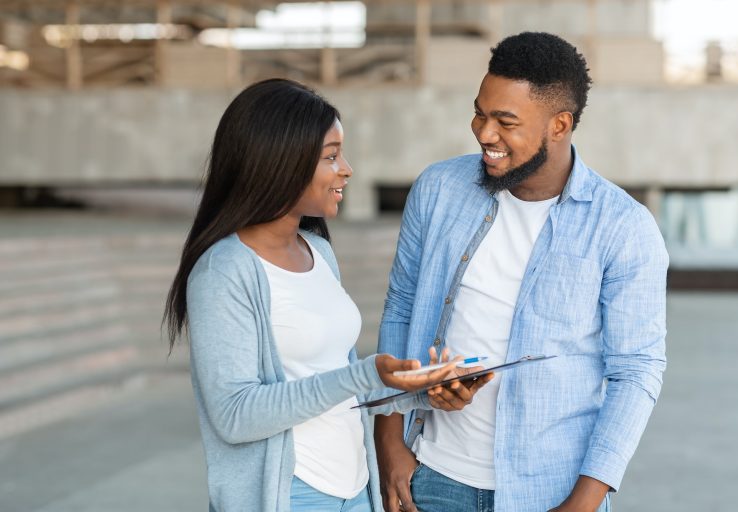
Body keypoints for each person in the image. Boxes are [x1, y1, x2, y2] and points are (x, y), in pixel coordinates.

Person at [374, 32, 668, 512]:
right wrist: (388, 441)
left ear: (559, 124)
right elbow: (402, 307)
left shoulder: (623, 227)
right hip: (433, 476)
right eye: (480, 113)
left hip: (553, 491)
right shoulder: (437, 190)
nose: (484, 133)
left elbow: (636, 371)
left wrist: (583, 502)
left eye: (505, 122)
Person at [163, 78, 480, 512]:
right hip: (292, 494)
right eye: (331, 156)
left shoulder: (319, 251)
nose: (346, 169)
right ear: (280, 162)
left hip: (354, 487)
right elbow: (235, 416)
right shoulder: (225, 270)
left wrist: (421, 391)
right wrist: (368, 373)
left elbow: (335, 378)